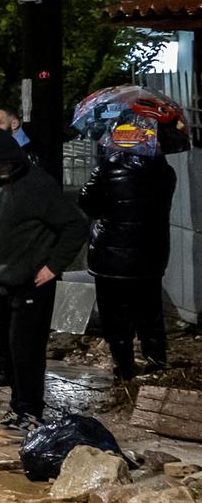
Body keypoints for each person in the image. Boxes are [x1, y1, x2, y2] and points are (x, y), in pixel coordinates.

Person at [0, 126, 89, 432]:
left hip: (33, 282)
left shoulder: (38, 185)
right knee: (5, 346)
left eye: (3, 166)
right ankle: (18, 406)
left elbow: (76, 226)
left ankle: (30, 411)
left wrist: (52, 267)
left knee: (26, 348)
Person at [80, 144, 177, 380]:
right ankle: (156, 366)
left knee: (115, 317)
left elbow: (86, 201)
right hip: (150, 255)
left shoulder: (106, 168)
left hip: (110, 258)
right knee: (151, 313)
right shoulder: (165, 171)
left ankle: (124, 370)